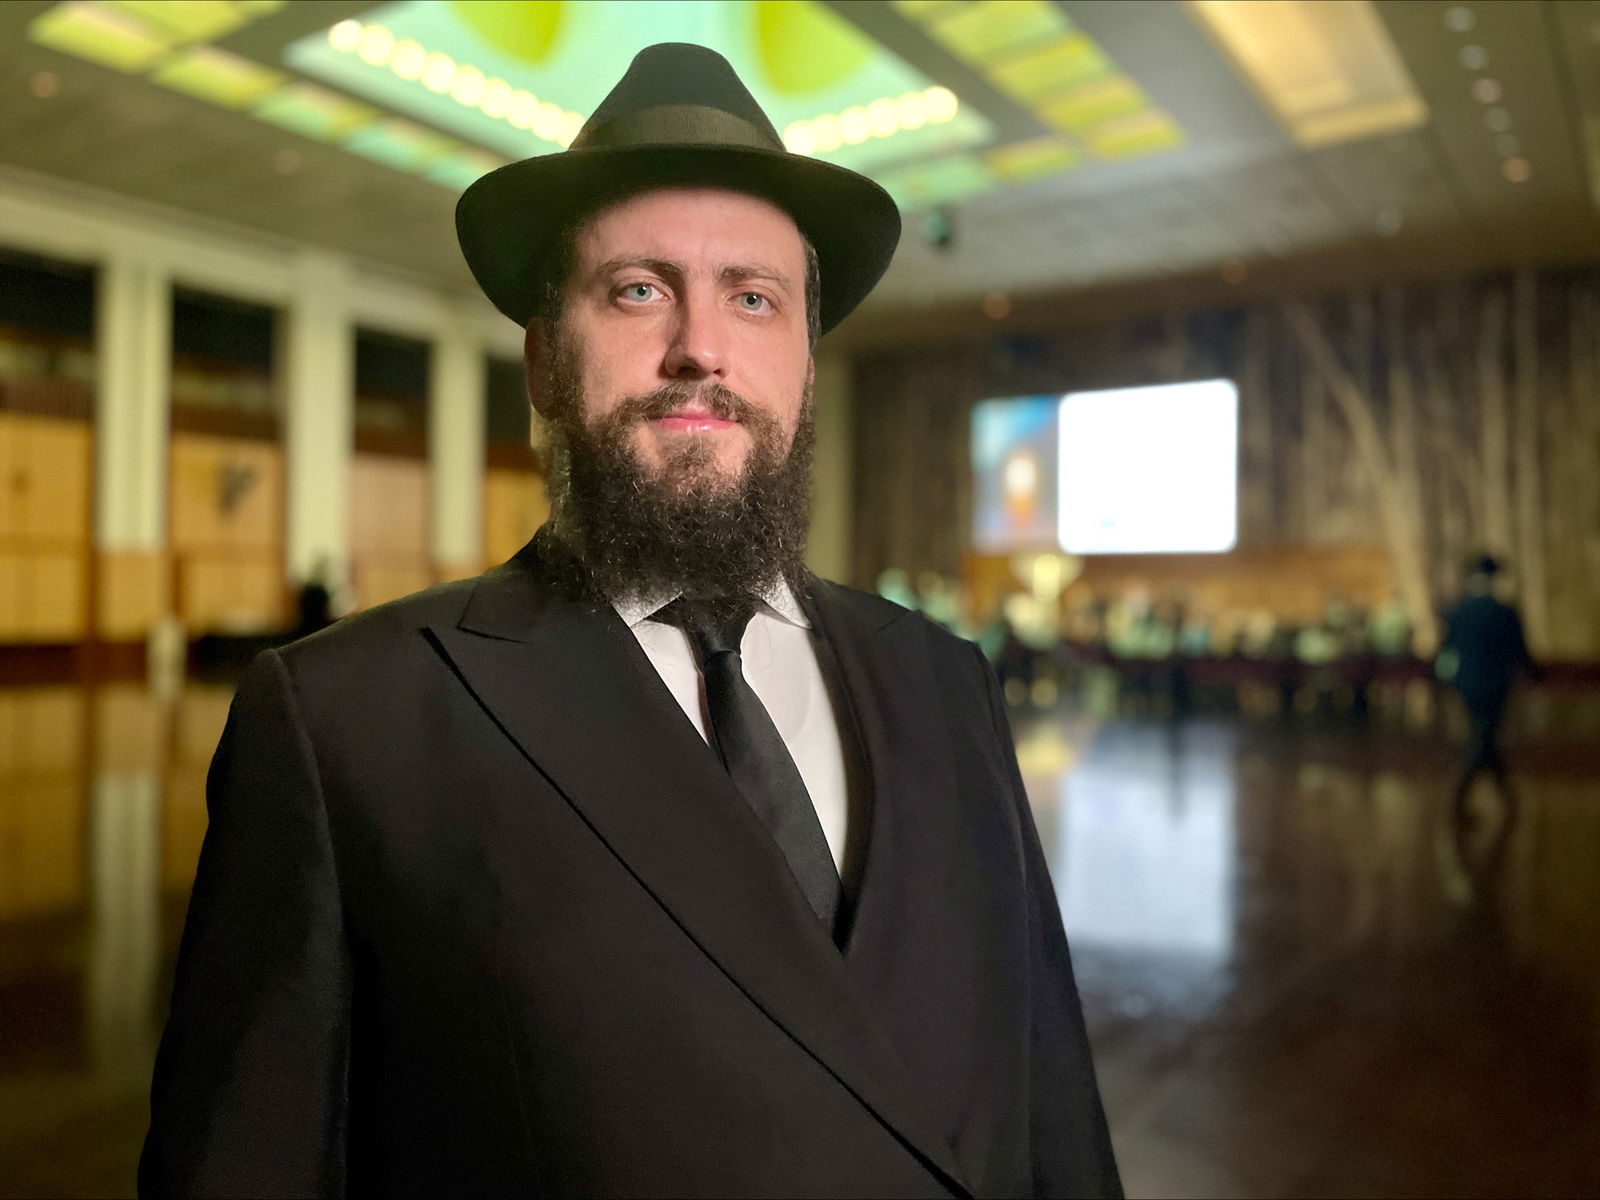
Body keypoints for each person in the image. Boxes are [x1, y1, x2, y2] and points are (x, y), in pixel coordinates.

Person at [139, 44, 1119, 1199]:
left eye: (753, 298)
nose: (699, 346)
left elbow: (1053, 1119)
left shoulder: (947, 684)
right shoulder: (348, 721)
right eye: (638, 290)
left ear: (803, 362)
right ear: (546, 361)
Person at [1439, 555, 1533, 817]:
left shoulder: (1458, 611)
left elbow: (1446, 651)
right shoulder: (1504, 611)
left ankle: (1506, 799)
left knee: (1484, 737)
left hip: (1466, 685)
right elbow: (1521, 652)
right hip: (1495, 685)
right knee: (1484, 738)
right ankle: (1460, 801)